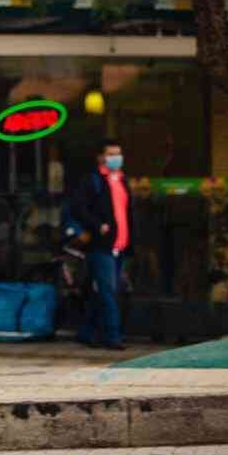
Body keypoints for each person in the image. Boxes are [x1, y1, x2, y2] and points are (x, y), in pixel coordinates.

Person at [70, 137, 133, 351]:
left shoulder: (122, 180)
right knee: (108, 292)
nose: (116, 158)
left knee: (102, 292)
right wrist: (98, 226)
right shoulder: (93, 181)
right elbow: (78, 208)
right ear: (101, 157)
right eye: (111, 154)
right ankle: (113, 336)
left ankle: (86, 333)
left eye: (118, 153)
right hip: (102, 245)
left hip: (120, 245)